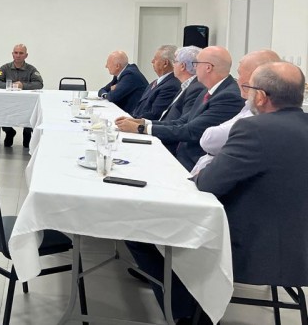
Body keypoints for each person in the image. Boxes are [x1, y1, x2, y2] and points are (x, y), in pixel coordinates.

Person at [127, 62, 307, 325]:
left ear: (261, 96)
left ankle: (185, 313)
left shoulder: (254, 129)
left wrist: (202, 172)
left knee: (141, 229)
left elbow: (209, 183)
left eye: (247, 87)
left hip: (250, 249)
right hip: (297, 250)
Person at [116, 46, 245, 171]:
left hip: (190, 161)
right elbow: (182, 121)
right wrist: (144, 123)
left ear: (208, 67)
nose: (194, 68)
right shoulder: (207, 90)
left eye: (196, 63)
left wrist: (141, 129)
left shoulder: (228, 96)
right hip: (182, 154)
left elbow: (191, 131)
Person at [190, 49, 280, 175]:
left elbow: (209, 140)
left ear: (256, 77)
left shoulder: (255, 113)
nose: (238, 80)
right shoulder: (248, 105)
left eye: (240, 74)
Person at [0, 44, 43, 147]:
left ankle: (27, 133)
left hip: (26, 104)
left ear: (26, 55)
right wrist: (10, 86)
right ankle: (9, 132)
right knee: (0, 112)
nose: (18, 55)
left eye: (21, 53)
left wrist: (23, 85)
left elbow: (39, 84)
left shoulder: (31, 69)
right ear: (12, 54)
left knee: (31, 114)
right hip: (7, 103)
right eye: (16, 53)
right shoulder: (4, 68)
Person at [131, 45, 181, 120]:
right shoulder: (155, 82)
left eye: (155, 59)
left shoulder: (171, 86)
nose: (152, 61)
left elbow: (155, 114)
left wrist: (132, 120)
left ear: (165, 63)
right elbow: (140, 107)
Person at [158, 46, 203, 122]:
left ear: (183, 66)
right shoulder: (185, 86)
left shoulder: (196, 89)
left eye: (175, 62)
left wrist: (147, 127)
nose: (173, 65)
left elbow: (182, 123)